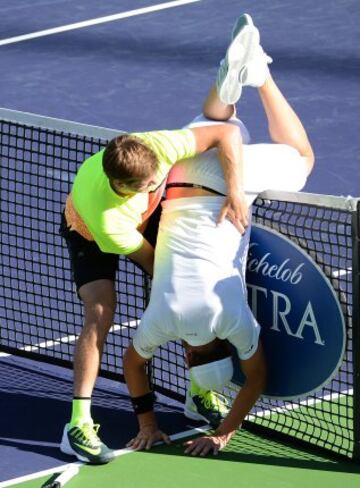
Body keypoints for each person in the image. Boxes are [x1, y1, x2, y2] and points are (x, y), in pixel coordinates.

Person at [58, 18, 256, 465]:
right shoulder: (110, 218)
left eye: (156, 179)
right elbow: (156, 266)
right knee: (101, 310)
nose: (156, 184)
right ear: (124, 187)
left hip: (145, 222)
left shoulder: (156, 147)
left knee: (183, 290)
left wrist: (237, 194)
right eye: (148, 185)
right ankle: (78, 424)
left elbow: (225, 132)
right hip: (86, 231)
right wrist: (178, 294)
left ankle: (197, 392)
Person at [123, 13, 314, 456]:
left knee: (302, 160)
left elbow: (258, 379)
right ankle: (233, 79)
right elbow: (133, 365)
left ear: (220, 350)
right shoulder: (158, 323)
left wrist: (223, 433)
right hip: (176, 178)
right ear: (189, 357)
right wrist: (147, 424)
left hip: (214, 186)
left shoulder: (233, 322)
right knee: (219, 122)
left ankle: (261, 75)